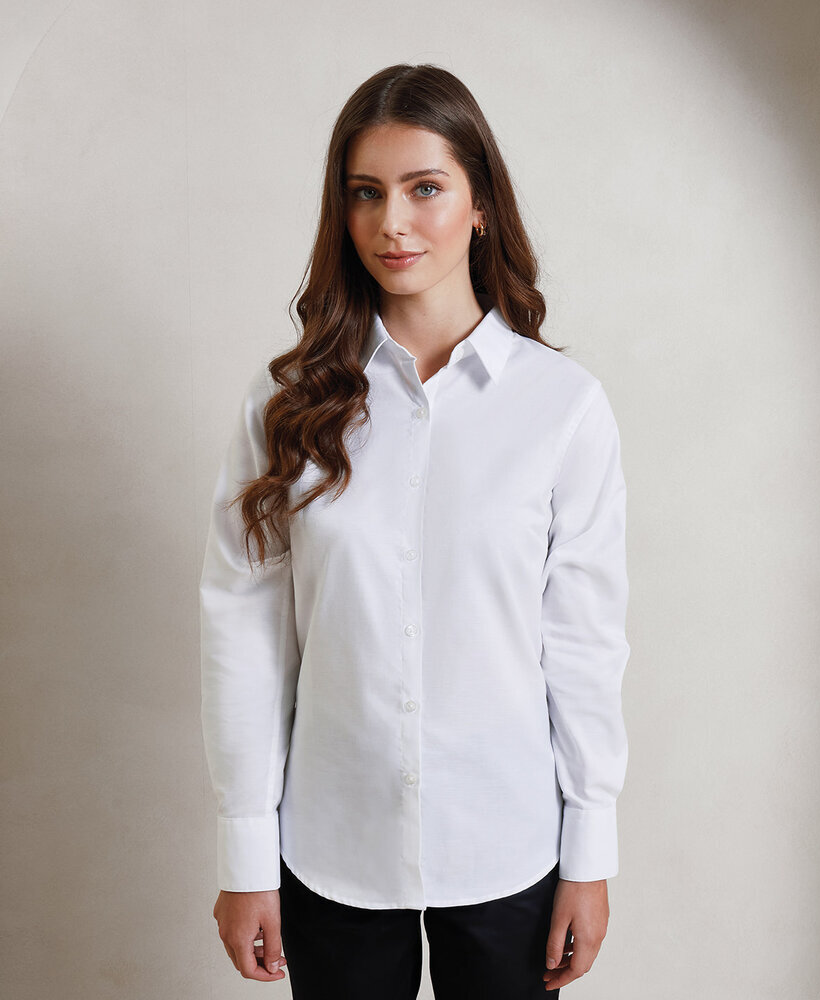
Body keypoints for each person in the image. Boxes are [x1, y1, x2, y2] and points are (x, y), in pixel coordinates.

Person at [199, 63, 630, 999]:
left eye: (424, 188)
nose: (391, 222)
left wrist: (589, 851)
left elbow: (583, 643)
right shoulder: (285, 405)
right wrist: (245, 854)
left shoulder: (561, 407)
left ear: (480, 206)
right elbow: (245, 635)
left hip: (511, 843)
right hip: (330, 845)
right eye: (366, 193)